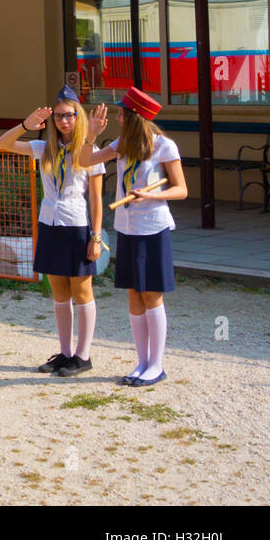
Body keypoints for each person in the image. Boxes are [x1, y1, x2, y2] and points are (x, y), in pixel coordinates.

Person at [0, 85, 105, 377]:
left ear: (78, 116)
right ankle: (65, 353)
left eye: (69, 115)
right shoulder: (45, 148)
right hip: (50, 224)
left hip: (77, 226)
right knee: (58, 291)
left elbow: (96, 199)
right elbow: (3, 143)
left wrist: (96, 236)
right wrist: (25, 126)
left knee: (81, 289)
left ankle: (83, 355)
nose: (64, 121)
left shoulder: (88, 151)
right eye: (58, 116)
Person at [85, 88, 186, 387]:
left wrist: (151, 195)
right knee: (133, 293)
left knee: (151, 294)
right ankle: (141, 361)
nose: (116, 117)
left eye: (121, 114)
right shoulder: (122, 143)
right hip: (127, 227)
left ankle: (156, 364)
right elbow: (83, 160)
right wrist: (91, 135)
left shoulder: (164, 146)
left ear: (135, 118)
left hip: (152, 227)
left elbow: (181, 189)